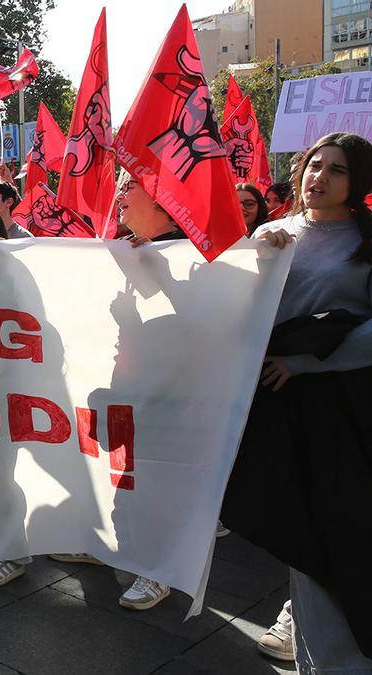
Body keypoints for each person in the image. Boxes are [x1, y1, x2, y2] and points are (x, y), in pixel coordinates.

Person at [0, 172, 182, 611]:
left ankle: (159, 569)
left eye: (131, 189)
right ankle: (124, 551)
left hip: (171, 388)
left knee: (160, 475)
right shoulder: (128, 248)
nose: (121, 196)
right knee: (125, 475)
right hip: (127, 379)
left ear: (162, 201)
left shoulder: (187, 252)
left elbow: (192, 320)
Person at [222, 132, 372, 672]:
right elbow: (226, 301)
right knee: (296, 530)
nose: (320, 177)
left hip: (340, 407)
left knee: (339, 529)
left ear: (357, 182)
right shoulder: (271, 232)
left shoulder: (367, 240)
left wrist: (305, 363)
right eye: (314, 165)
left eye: (337, 170)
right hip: (273, 406)